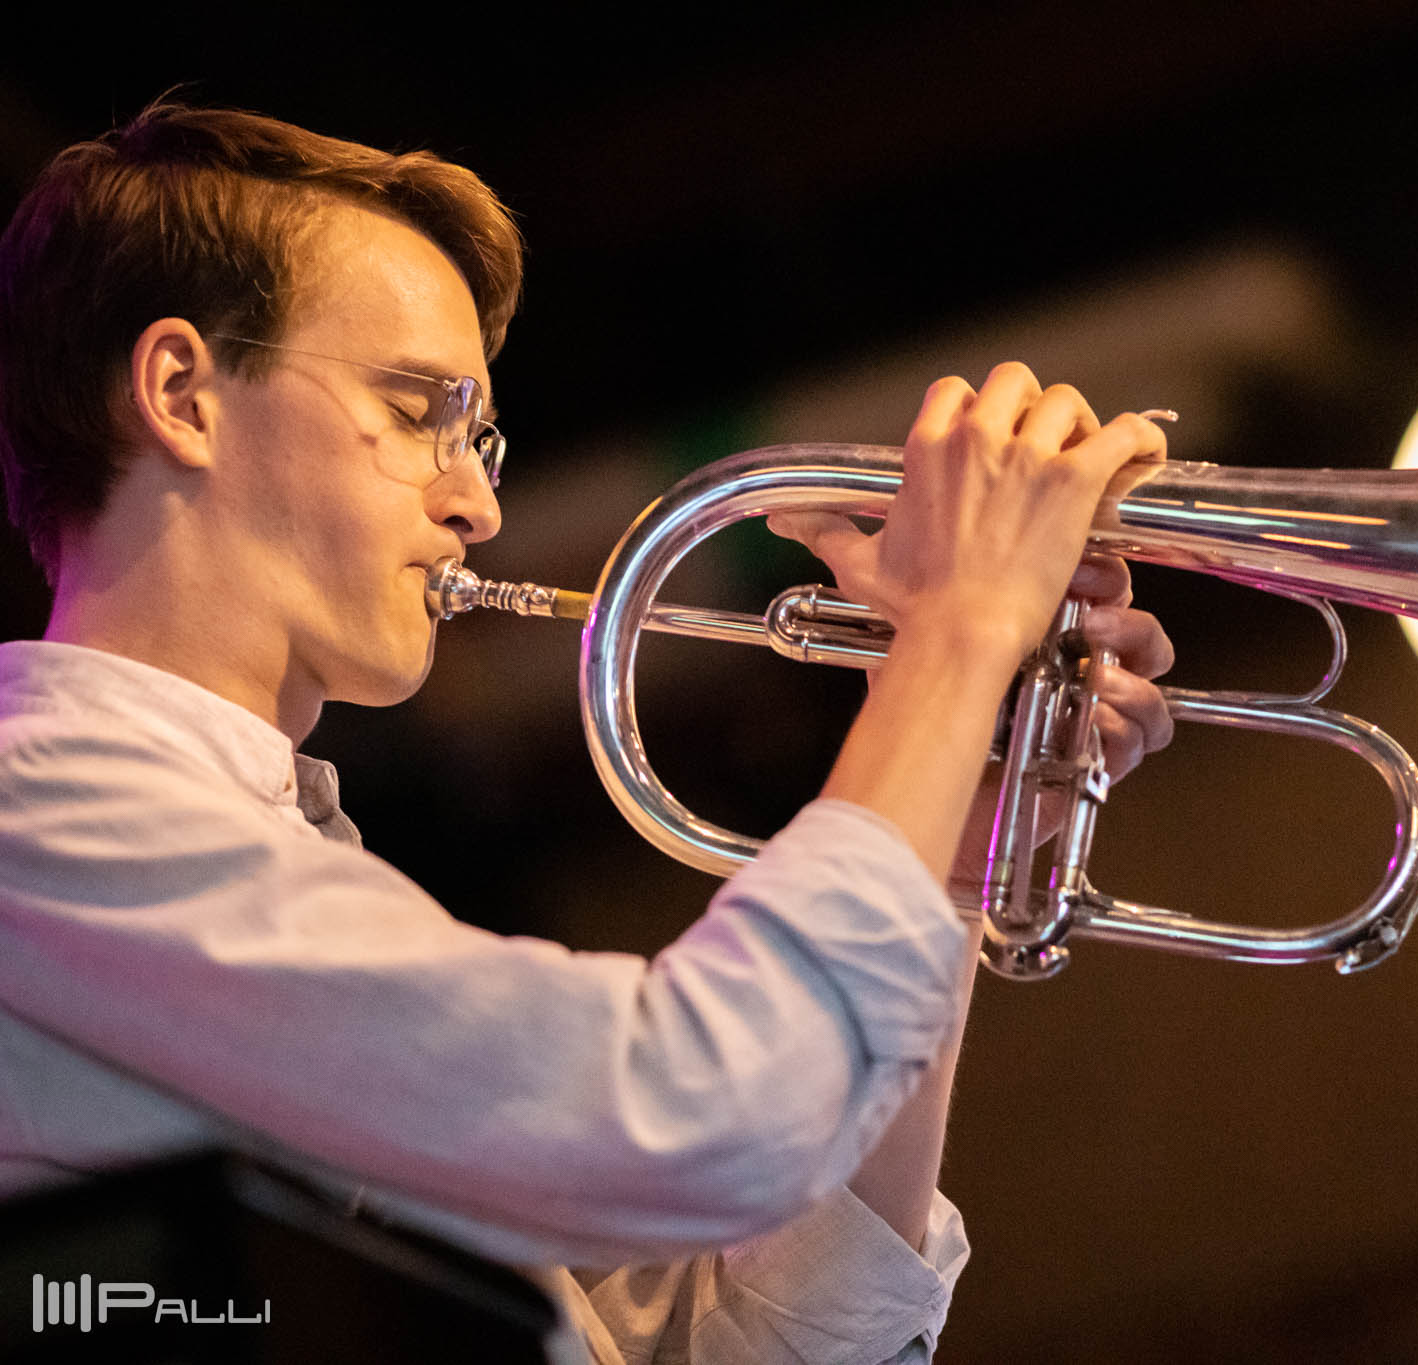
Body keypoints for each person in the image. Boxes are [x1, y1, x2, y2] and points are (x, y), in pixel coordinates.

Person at [0, 102, 1175, 1362]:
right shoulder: (38, 806)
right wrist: (952, 639)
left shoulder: (277, 858)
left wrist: (945, 855)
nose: (478, 507)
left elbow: (762, 1346)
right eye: (416, 412)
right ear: (183, 391)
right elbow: (694, 1110)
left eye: (478, 436)